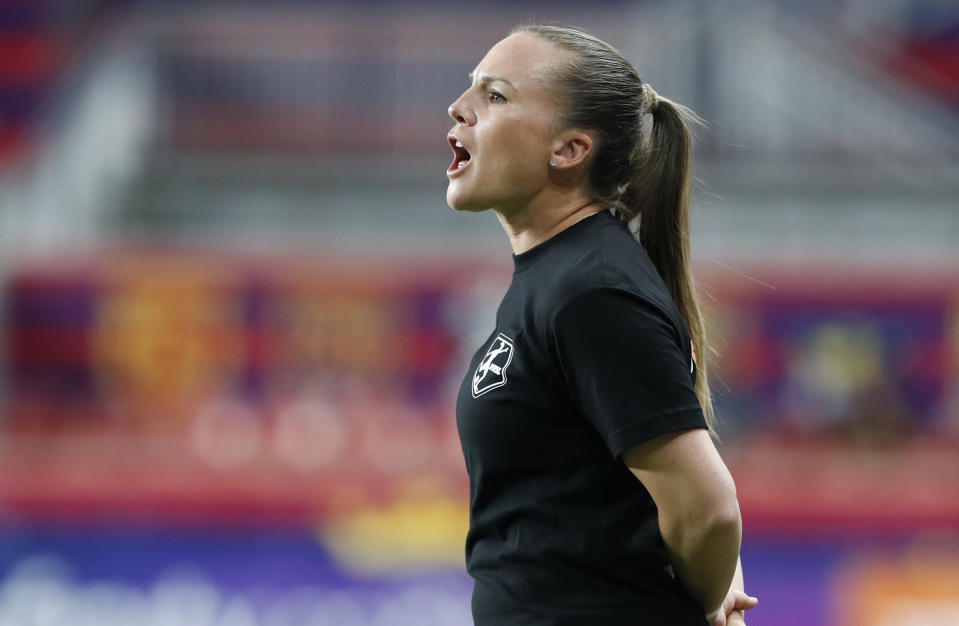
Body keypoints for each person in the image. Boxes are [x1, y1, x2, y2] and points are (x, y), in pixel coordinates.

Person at [447, 25, 758, 626]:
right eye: (471, 90)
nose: (459, 108)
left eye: (496, 95)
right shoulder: (566, 276)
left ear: (568, 151)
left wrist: (708, 600)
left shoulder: (592, 289)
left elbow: (708, 509)